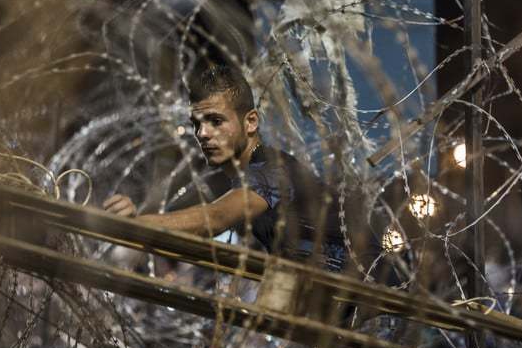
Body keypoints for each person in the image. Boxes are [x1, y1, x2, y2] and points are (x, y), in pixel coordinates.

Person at [102, 63, 347, 273]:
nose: (203, 134)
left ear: (250, 121)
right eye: (196, 124)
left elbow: (216, 217)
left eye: (216, 121)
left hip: (374, 307)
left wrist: (137, 224)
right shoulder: (249, 182)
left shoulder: (273, 170)